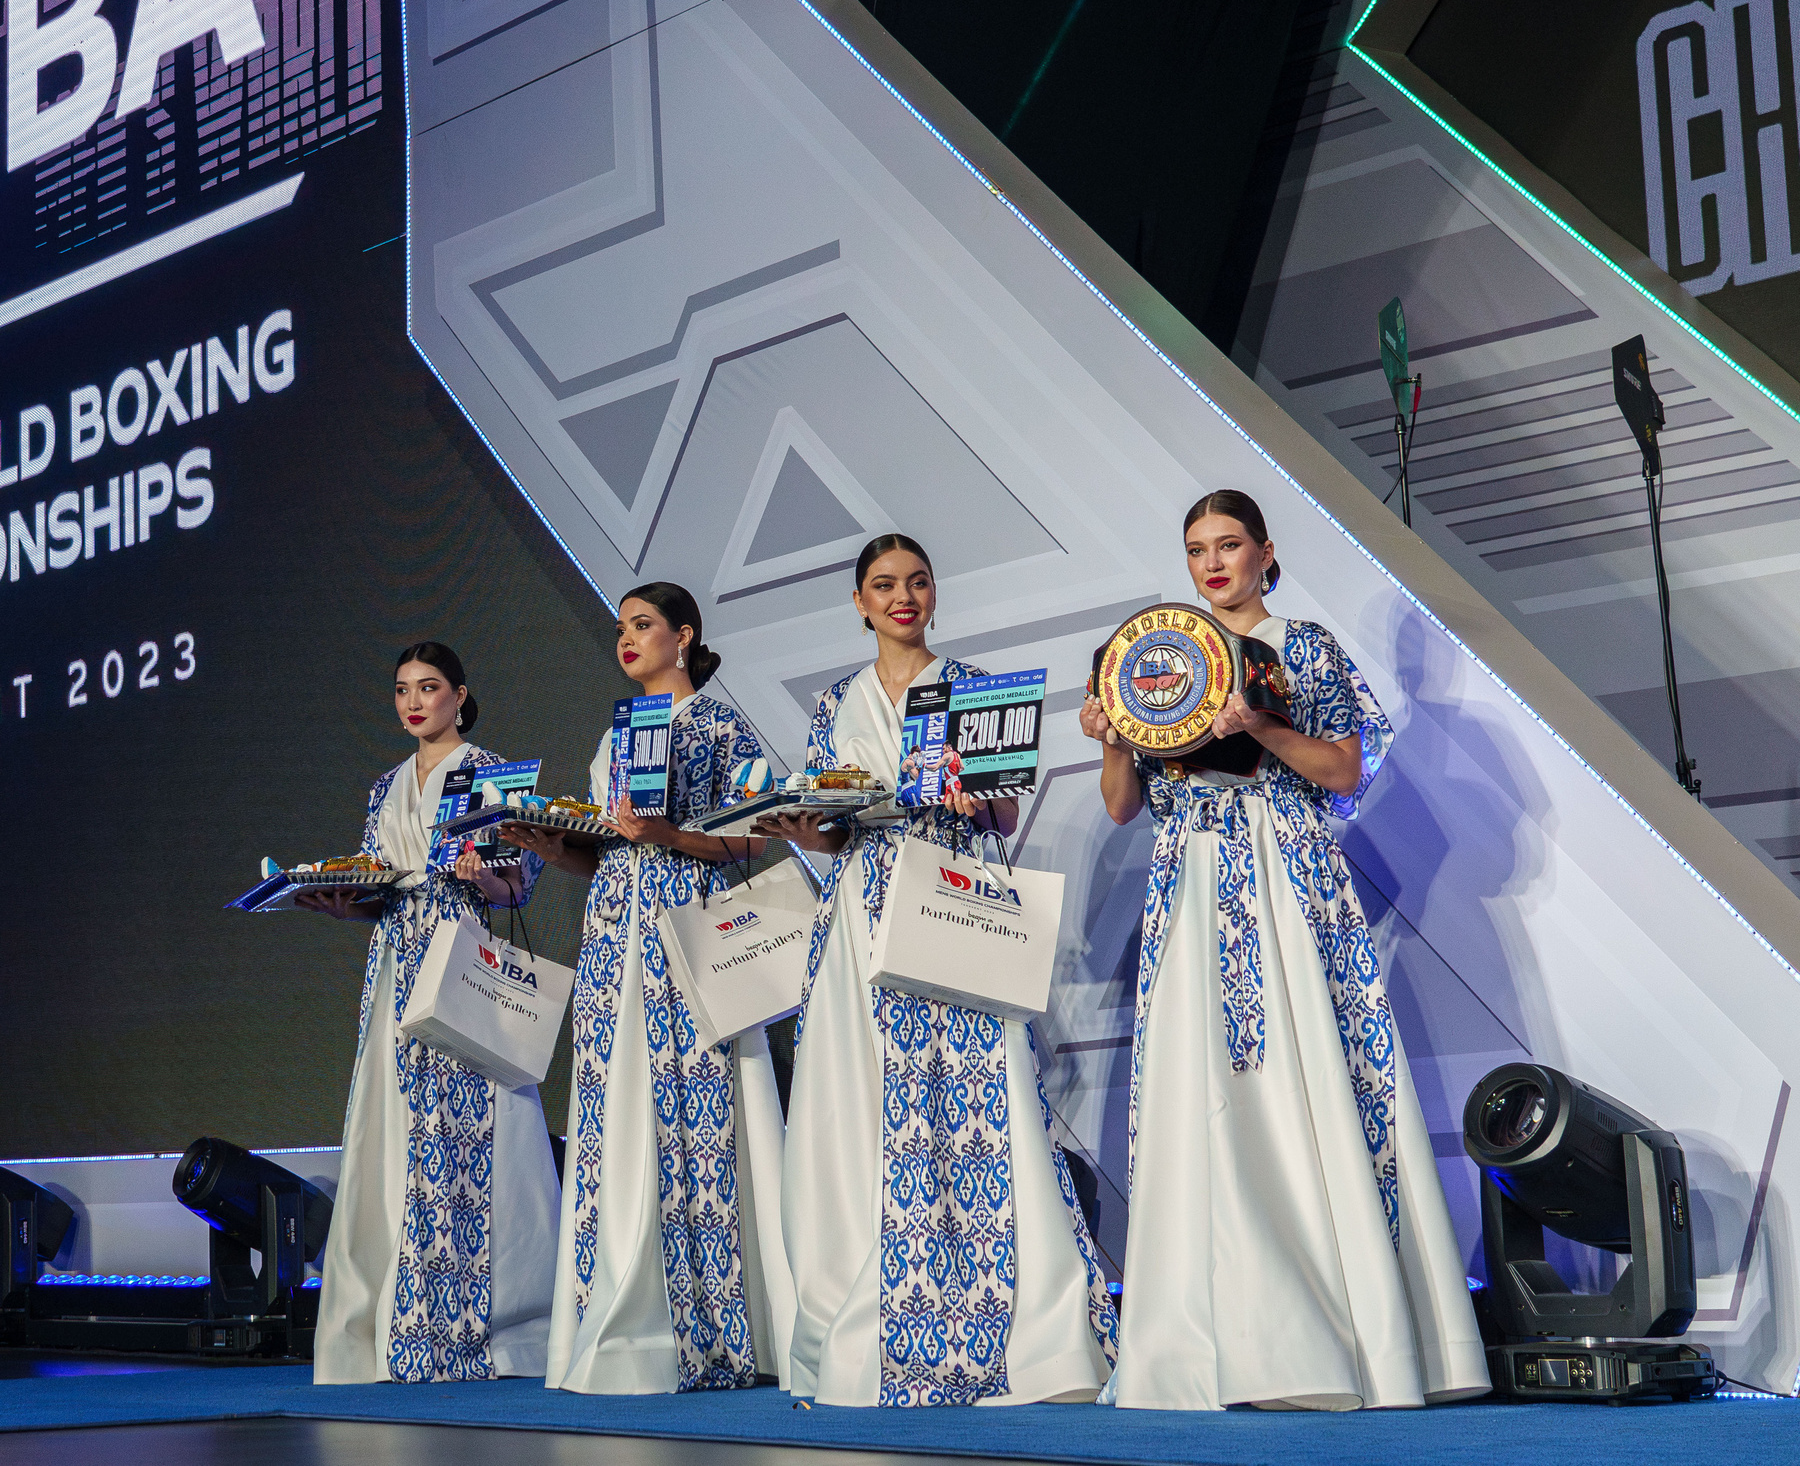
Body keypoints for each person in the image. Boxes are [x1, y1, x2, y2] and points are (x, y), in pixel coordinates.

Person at [1084, 491, 1487, 1411]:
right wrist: (1111, 739)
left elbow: (1346, 771)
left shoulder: (1301, 645)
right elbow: (1123, 804)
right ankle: (1208, 1337)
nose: (1213, 563)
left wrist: (1261, 728)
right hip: (1188, 877)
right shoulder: (1156, 654)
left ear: (1266, 553)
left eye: (1229, 544)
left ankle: (1349, 1332)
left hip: (1285, 869)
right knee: (1197, 1089)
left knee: (1306, 1078)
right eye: (1197, 549)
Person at [756, 534, 1116, 1407]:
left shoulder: (971, 685)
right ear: (859, 601)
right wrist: (802, 827)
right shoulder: (835, 701)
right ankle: (869, 1308)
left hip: (949, 900)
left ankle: (1008, 1312)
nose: (903, 596)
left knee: (980, 1097)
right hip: (858, 913)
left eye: (917, 581)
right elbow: (832, 826)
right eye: (885, 584)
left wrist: (972, 797)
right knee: (859, 1104)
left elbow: (1001, 811)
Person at [503, 583, 795, 1393]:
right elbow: (611, 849)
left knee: (698, 1106)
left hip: (686, 926)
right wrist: (554, 846)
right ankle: (620, 1304)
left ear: (684, 634)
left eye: (643, 625)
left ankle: (713, 1322)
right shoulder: (617, 732)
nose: (627, 639)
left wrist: (667, 834)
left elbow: (752, 839)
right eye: (621, 628)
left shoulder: (720, 723)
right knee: (616, 1103)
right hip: (612, 931)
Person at [306, 642, 560, 1383]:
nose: (413, 702)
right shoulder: (385, 785)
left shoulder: (492, 770)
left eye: (428, 687)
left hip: (462, 962)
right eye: (402, 690)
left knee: (475, 1131)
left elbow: (518, 887)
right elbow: (379, 885)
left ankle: (497, 1327)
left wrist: (487, 877)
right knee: (393, 1130)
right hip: (395, 965)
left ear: (460, 694)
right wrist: (342, 903)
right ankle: (391, 1320)